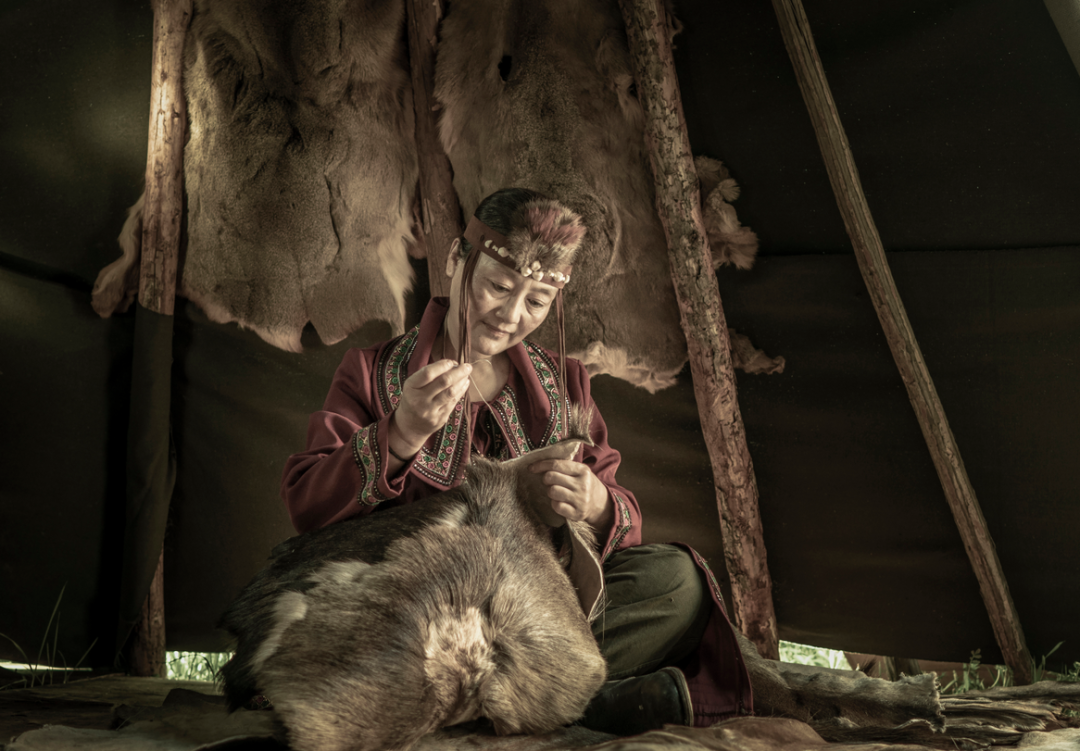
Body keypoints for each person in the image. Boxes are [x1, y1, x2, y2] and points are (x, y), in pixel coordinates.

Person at [281, 187, 752, 734]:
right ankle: (569, 701)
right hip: (424, 615)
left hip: (537, 617)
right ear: (456, 260)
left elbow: (620, 526)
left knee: (675, 581)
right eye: (499, 287)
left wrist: (596, 504)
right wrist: (401, 433)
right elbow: (307, 506)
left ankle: (480, 703)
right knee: (330, 616)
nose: (510, 316)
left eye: (536, 301)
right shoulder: (372, 373)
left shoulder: (564, 382)